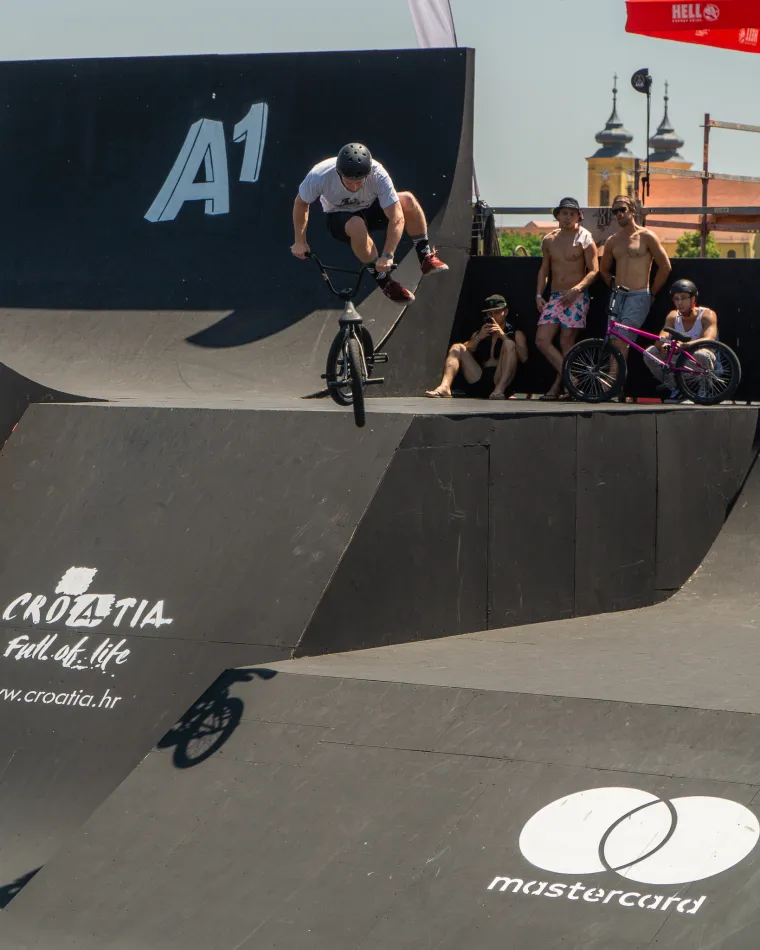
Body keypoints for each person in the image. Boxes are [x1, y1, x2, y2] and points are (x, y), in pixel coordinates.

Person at [290, 143, 448, 305]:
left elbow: (397, 217)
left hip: (370, 209)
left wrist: (388, 254)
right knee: (357, 225)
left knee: (407, 200)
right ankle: (384, 280)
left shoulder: (378, 174)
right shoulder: (320, 175)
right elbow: (301, 203)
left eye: (359, 182)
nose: (354, 187)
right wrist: (300, 241)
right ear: (339, 173)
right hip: (338, 216)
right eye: (349, 182)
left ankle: (425, 255)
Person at [535, 197, 599, 400]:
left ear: (578, 216)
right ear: (558, 215)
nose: (568, 217)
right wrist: (538, 294)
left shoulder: (585, 237)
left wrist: (577, 289)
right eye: (564, 213)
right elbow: (544, 269)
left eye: (572, 213)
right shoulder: (549, 240)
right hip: (555, 296)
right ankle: (573, 378)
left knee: (566, 341)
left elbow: (594, 270)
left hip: (576, 296)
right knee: (542, 339)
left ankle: (558, 388)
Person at [600, 195, 672, 362]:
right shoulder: (612, 241)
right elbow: (603, 269)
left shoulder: (647, 236)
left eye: (622, 210)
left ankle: (613, 383)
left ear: (632, 211)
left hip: (638, 295)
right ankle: (616, 384)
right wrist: (613, 285)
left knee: (621, 339)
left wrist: (652, 292)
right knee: (613, 339)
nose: (619, 214)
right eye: (615, 211)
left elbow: (665, 266)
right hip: (617, 296)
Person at [425, 294, 528, 399]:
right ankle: (445, 387)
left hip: (501, 379)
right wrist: (478, 338)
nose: (493, 317)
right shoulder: (480, 332)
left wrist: (503, 336)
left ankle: (499, 390)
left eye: (497, 313)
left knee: (509, 343)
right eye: (490, 314)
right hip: (480, 378)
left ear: (505, 312)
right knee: (457, 347)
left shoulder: (515, 333)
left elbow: (524, 358)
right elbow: (466, 349)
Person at [643, 278, 718, 402]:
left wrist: (685, 345)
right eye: (676, 299)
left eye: (683, 298)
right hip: (680, 360)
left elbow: (709, 339)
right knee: (650, 353)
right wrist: (665, 344)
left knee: (701, 353)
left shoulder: (707, 314)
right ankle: (677, 389)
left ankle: (705, 388)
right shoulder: (673, 316)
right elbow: (661, 339)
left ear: (693, 299)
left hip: (703, 359)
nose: (679, 303)